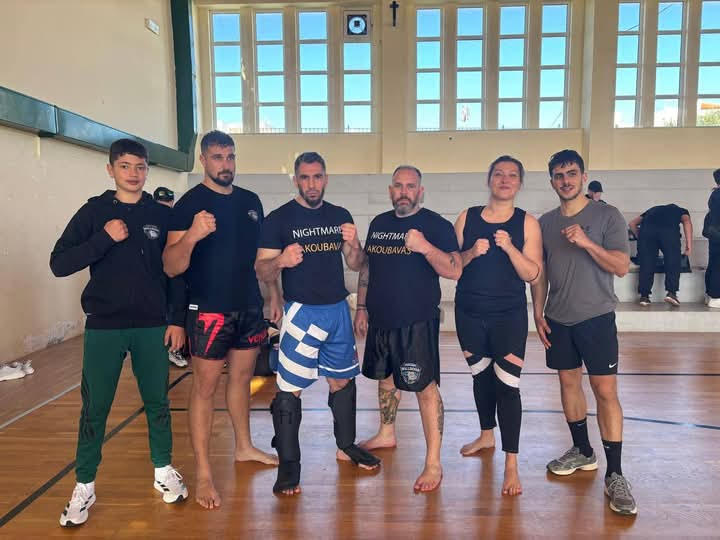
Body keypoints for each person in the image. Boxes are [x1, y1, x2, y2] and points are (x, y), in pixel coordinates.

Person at [50, 139, 188, 527]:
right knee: (95, 408)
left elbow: (175, 271)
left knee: (158, 402)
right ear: (110, 169)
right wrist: (103, 239)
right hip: (104, 326)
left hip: (151, 325)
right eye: (125, 166)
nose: (133, 173)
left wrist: (177, 319)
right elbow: (59, 263)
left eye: (140, 167)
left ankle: (163, 469)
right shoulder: (94, 212)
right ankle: (84, 484)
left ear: (147, 170)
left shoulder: (160, 215)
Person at [163, 130, 278, 510]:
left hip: (248, 307)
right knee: (205, 389)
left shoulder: (250, 201)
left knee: (242, 380)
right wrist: (193, 236)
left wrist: (274, 295)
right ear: (203, 160)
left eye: (230, 157)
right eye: (217, 157)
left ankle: (244, 447)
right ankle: (204, 473)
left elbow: (261, 259)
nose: (225, 164)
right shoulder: (189, 205)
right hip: (208, 311)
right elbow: (171, 266)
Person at [255, 151, 380, 496]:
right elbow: (261, 269)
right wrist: (281, 260)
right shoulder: (279, 219)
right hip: (301, 312)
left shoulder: (340, 215)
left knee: (342, 382)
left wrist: (354, 243)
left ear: (326, 178)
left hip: (337, 310)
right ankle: (289, 464)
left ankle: (346, 445)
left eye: (318, 176)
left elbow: (356, 264)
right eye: (305, 177)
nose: (312, 184)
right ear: (296, 179)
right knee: (289, 389)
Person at [531, 149, 637, 515]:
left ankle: (615, 473)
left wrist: (588, 242)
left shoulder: (607, 215)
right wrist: (537, 312)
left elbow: (621, 266)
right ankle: (582, 450)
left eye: (572, 173)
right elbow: (540, 273)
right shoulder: (545, 223)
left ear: (583, 176)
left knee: (605, 391)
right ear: (552, 181)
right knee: (568, 384)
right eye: (559, 176)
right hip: (558, 318)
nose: (566, 181)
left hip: (596, 317)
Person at [354, 165, 461, 492]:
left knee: (424, 387)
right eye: (398, 186)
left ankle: (433, 462)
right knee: (386, 378)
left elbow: (455, 270)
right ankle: (386, 433)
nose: (404, 192)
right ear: (391, 191)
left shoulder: (436, 225)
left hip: (416, 321)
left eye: (410, 186)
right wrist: (361, 307)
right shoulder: (379, 223)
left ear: (420, 191)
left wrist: (425, 247)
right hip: (380, 318)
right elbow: (368, 268)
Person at [452, 156, 543, 497]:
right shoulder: (467, 217)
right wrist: (470, 254)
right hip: (469, 313)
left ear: (519, 183)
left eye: (512, 175)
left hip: (508, 316)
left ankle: (511, 464)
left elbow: (533, 274)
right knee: (481, 378)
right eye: (499, 174)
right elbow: (451, 265)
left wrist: (510, 248)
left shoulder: (527, 223)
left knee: (507, 387)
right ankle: (486, 435)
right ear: (489, 179)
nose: (505, 180)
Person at [628, 203, 693, 306]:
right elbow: (687, 222)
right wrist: (689, 246)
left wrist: (640, 236)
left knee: (647, 263)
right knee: (673, 260)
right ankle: (671, 293)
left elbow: (632, 224)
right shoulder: (681, 210)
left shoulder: (652, 210)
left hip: (647, 232)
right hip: (669, 232)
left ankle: (644, 297)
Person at [152, 186, 188, 368]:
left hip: (165, 273)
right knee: (172, 312)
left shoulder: (173, 218)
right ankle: (173, 349)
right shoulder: (175, 216)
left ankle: (170, 349)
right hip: (169, 273)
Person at [703, 169, 720, 308]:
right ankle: (715, 296)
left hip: (714, 235)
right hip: (718, 234)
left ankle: (710, 295)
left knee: (713, 264)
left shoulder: (715, 194)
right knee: (717, 266)